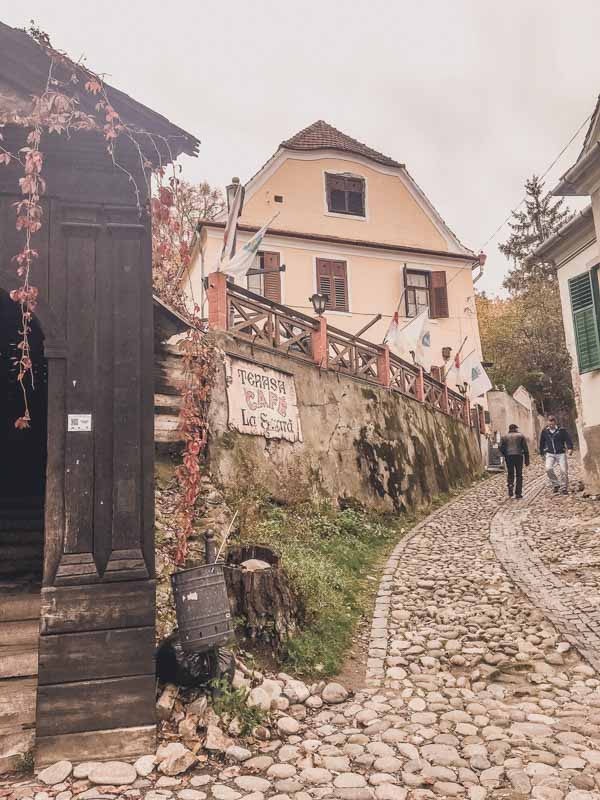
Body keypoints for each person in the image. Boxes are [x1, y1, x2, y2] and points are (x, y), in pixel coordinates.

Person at [539, 415, 573, 495]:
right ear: (547, 423)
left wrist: (570, 448)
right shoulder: (544, 431)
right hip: (550, 453)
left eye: (552, 424)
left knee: (564, 470)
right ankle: (556, 484)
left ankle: (564, 488)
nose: (551, 426)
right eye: (549, 424)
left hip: (561, 453)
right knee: (548, 468)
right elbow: (541, 442)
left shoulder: (561, 430)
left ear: (555, 423)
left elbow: (568, 439)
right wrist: (542, 453)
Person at [499, 423, 530, 499]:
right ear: (516, 429)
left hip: (509, 456)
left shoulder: (504, 437)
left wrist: (505, 453)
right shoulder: (521, 436)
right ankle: (518, 493)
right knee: (519, 474)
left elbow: (500, 447)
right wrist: (527, 460)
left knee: (510, 473)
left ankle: (510, 487)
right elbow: (525, 449)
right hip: (519, 456)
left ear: (509, 429)